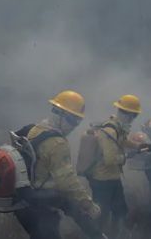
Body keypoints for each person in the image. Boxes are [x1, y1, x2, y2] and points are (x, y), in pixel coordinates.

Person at [14, 90, 102, 239]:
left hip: (25, 200)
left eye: (78, 121)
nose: (74, 126)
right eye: (73, 120)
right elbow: (67, 181)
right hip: (40, 206)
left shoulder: (36, 129)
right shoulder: (57, 143)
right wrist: (88, 204)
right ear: (60, 114)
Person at [85, 94, 149, 237]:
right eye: (134, 116)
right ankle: (95, 235)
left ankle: (115, 235)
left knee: (120, 211)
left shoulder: (116, 127)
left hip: (112, 178)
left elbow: (123, 141)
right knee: (101, 215)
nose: (133, 120)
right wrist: (126, 157)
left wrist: (139, 147)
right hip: (102, 180)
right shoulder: (110, 130)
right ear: (128, 115)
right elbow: (110, 159)